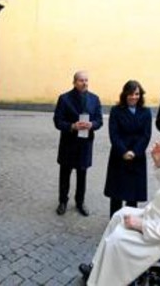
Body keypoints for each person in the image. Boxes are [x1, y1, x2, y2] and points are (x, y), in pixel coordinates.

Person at [79, 141, 160, 286]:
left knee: (117, 241)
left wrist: (142, 225)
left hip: (158, 237)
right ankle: (96, 269)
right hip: (155, 217)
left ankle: (105, 281)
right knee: (119, 214)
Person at [53, 71, 103, 216]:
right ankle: (63, 201)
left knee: (82, 175)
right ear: (74, 82)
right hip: (68, 143)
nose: (84, 83)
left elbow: (100, 120)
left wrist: (92, 125)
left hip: (85, 144)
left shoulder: (95, 99)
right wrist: (72, 126)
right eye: (81, 80)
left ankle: (80, 202)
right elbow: (57, 121)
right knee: (65, 174)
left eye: (86, 80)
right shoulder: (64, 99)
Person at [104, 80, 152, 218]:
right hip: (119, 156)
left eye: (137, 94)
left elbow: (146, 135)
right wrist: (124, 151)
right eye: (130, 94)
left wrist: (135, 152)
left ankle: (129, 226)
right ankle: (113, 223)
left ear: (140, 95)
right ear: (125, 95)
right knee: (116, 196)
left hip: (137, 158)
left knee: (133, 196)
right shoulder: (116, 111)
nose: (134, 97)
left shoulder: (146, 112)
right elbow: (114, 134)